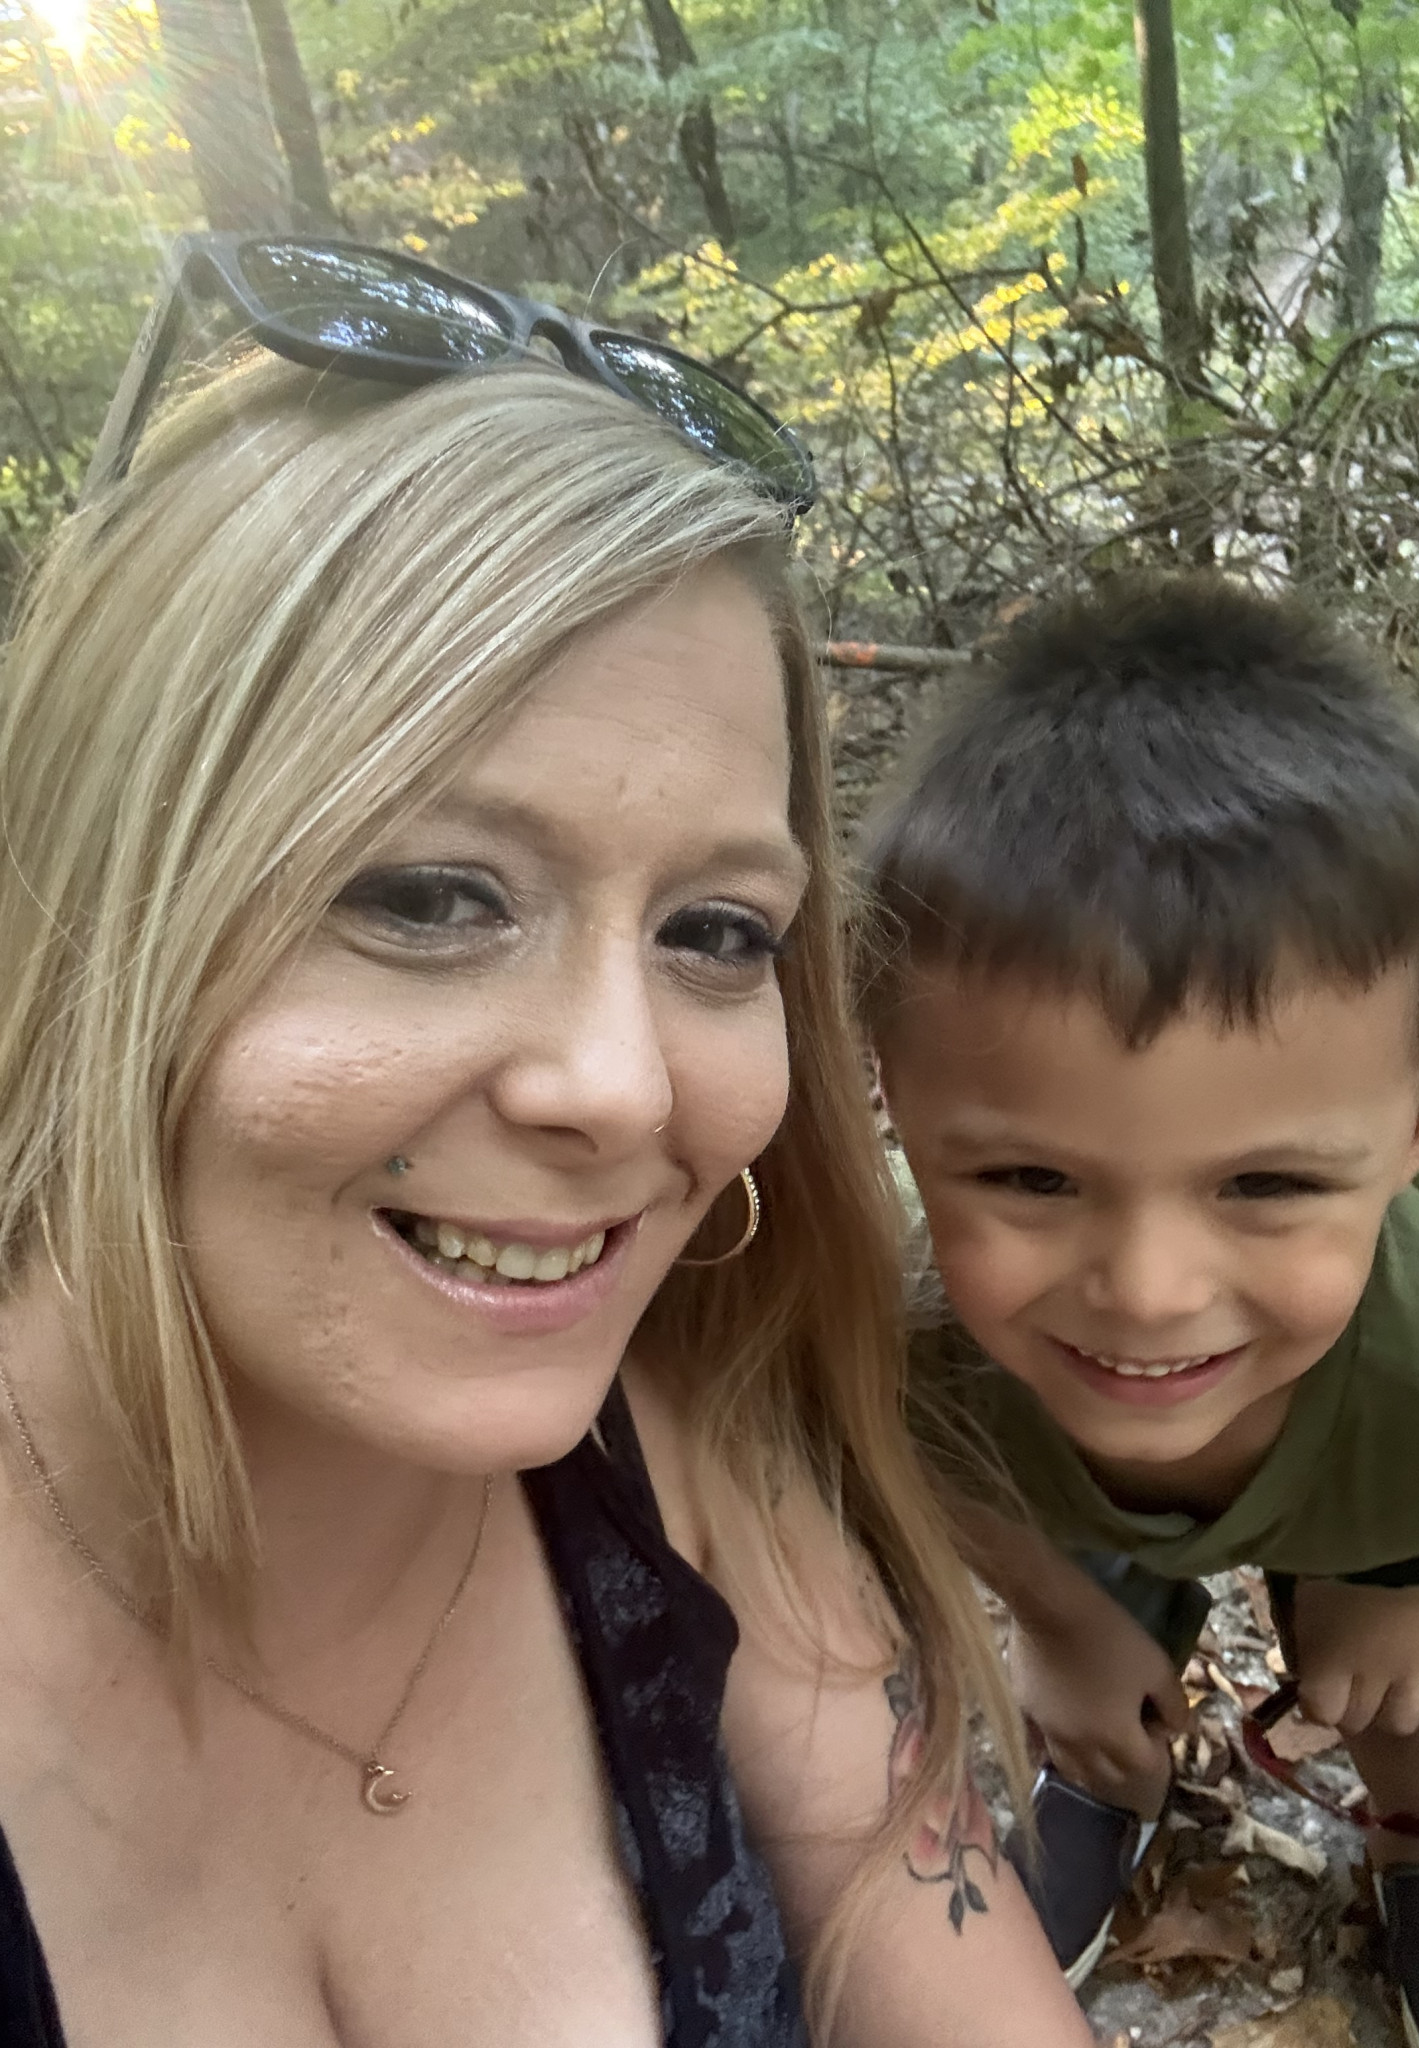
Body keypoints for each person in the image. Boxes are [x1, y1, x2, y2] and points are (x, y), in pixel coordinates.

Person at [0, 236, 1093, 2047]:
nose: (626, 1088)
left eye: (716, 933)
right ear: (94, 904)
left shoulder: (680, 1469)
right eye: (433, 897)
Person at [860, 576, 1419, 2048]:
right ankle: (1111, 1738)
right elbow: (925, 1473)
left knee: (1389, 1666)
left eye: (1267, 1183)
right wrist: (1057, 1627)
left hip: (1385, 1420)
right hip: (1038, 1445)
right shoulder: (890, 1337)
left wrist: (1411, 1577)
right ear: (896, 1101)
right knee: (1085, 1604)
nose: (1148, 1291)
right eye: (1032, 1177)